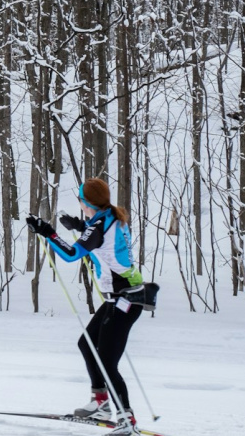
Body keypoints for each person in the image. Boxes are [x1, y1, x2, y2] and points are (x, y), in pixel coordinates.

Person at [26, 178, 144, 432]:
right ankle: (100, 402)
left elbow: (72, 254)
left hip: (126, 300)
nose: (79, 203)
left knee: (106, 361)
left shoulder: (99, 225)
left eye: (80, 200)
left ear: (85, 202)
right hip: (122, 297)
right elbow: (100, 236)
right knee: (86, 343)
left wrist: (48, 232)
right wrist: (80, 225)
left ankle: (126, 419)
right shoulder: (111, 216)